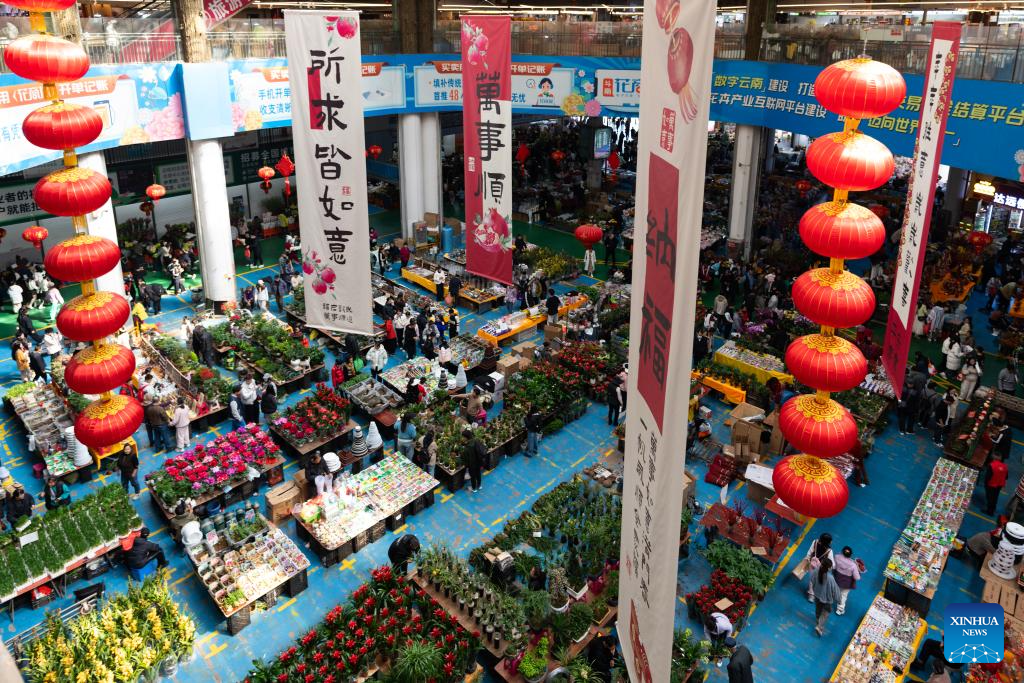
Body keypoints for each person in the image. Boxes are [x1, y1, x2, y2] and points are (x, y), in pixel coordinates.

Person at [810, 557, 841, 636]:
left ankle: (818, 620)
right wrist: (839, 599)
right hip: (827, 599)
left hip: (817, 595)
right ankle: (819, 626)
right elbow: (835, 590)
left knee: (818, 609)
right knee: (825, 613)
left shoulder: (816, 571)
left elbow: (812, 579)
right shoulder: (830, 578)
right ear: (829, 568)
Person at [805, 532, 834, 602]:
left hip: (812, 564)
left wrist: (807, 558)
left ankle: (811, 595)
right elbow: (831, 563)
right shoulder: (829, 551)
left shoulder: (815, 542)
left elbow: (810, 551)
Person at [833, 546, 861, 615]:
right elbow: (857, 578)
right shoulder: (853, 565)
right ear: (851, 555)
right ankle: (839, 610)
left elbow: (833, 566)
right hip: (847, 584)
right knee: (843, 595)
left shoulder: (836, 557)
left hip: (837, 579)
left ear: (842, 551)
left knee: (835, 590)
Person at [463, 428, 485, 492]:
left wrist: (466, 466)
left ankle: (474, 488)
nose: (462, 438)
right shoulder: (476, 441)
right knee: (478, 474)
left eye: (463, 437)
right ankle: (479, 485)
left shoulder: (468, 447)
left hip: (472, 464)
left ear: (466, 437)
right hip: (478, 462)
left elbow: (467, 458)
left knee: (473, 476)